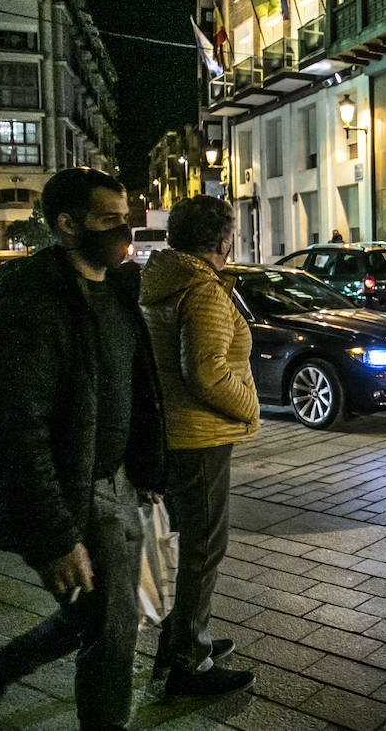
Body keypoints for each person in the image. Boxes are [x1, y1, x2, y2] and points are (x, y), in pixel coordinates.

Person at [0, 167, 168, 731]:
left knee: (96, 615)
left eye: (126, 217)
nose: (124, 232)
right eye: (108, 220)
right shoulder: (32, 307)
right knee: (113, 629)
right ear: (66, 225)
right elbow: (14, 430)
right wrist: (55, 540)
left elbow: (133, 389)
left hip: (114, 480)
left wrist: (146, 467)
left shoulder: (115, 290)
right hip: (73, 488)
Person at [139, 196, 259, 698]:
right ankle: (190, 660)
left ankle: (183, 637)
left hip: (173, 432)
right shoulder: (202, 288)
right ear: (221, 240)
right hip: (201, 436)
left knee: (192, 545)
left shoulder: (161, 278)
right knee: (205, 549)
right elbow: (206, 371)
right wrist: (249, 409)